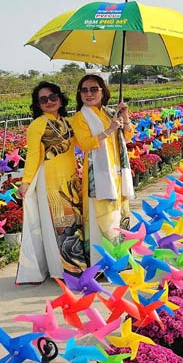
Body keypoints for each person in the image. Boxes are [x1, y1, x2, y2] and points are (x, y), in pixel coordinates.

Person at [15, 82, 88, 284]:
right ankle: (68, 270)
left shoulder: (69, 122)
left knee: (76, 223)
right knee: (61, 225)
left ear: (60, 98)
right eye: (43, 99)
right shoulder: (37, 125)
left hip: (71, 180)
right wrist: (26, 181)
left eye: (52, 97)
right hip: (50, 181)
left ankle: (79, 265)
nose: (49, 102)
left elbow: (84, 143)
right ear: (37, 104)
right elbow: (32, 155)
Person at [69, 74, 134, 266]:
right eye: (84, 90)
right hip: (98, 178)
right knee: (103, 219)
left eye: (93, 89)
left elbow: (128, 136)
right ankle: (103, 263)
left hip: (117, 174)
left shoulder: (109, 113)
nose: (89, 94)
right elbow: (86, 144)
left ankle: (121, 260)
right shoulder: (80, 118)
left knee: (119, 217)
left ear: (102, 91)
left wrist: (125, 115)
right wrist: (109, 130)